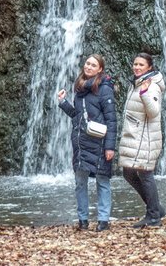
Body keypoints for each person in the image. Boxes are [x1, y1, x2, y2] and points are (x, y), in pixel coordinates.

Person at [57, 54, 117, 231]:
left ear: (100, 69)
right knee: (80, 182)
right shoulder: (80, 88)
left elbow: (111, 119)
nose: (89, 67)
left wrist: (110, 146)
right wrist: (63, 103)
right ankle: (82, 219)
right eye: (87, 63)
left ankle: (103, 220)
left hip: (99, 142)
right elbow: (78, 115)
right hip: (81, 141)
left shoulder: (104, 88)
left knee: (102, 180)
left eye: (93, 65)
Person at [119, 51, 166, 228]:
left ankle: (154, 216)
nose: (137, 67)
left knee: (145, 174)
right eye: (135, 64)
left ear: (149, 67)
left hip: (146, 138)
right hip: (136, 136)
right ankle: (156, 208)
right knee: (128, 172)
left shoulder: (150, 85)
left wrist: (146, 92)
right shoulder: (136, 83)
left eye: (141, 65)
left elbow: (153, 111)